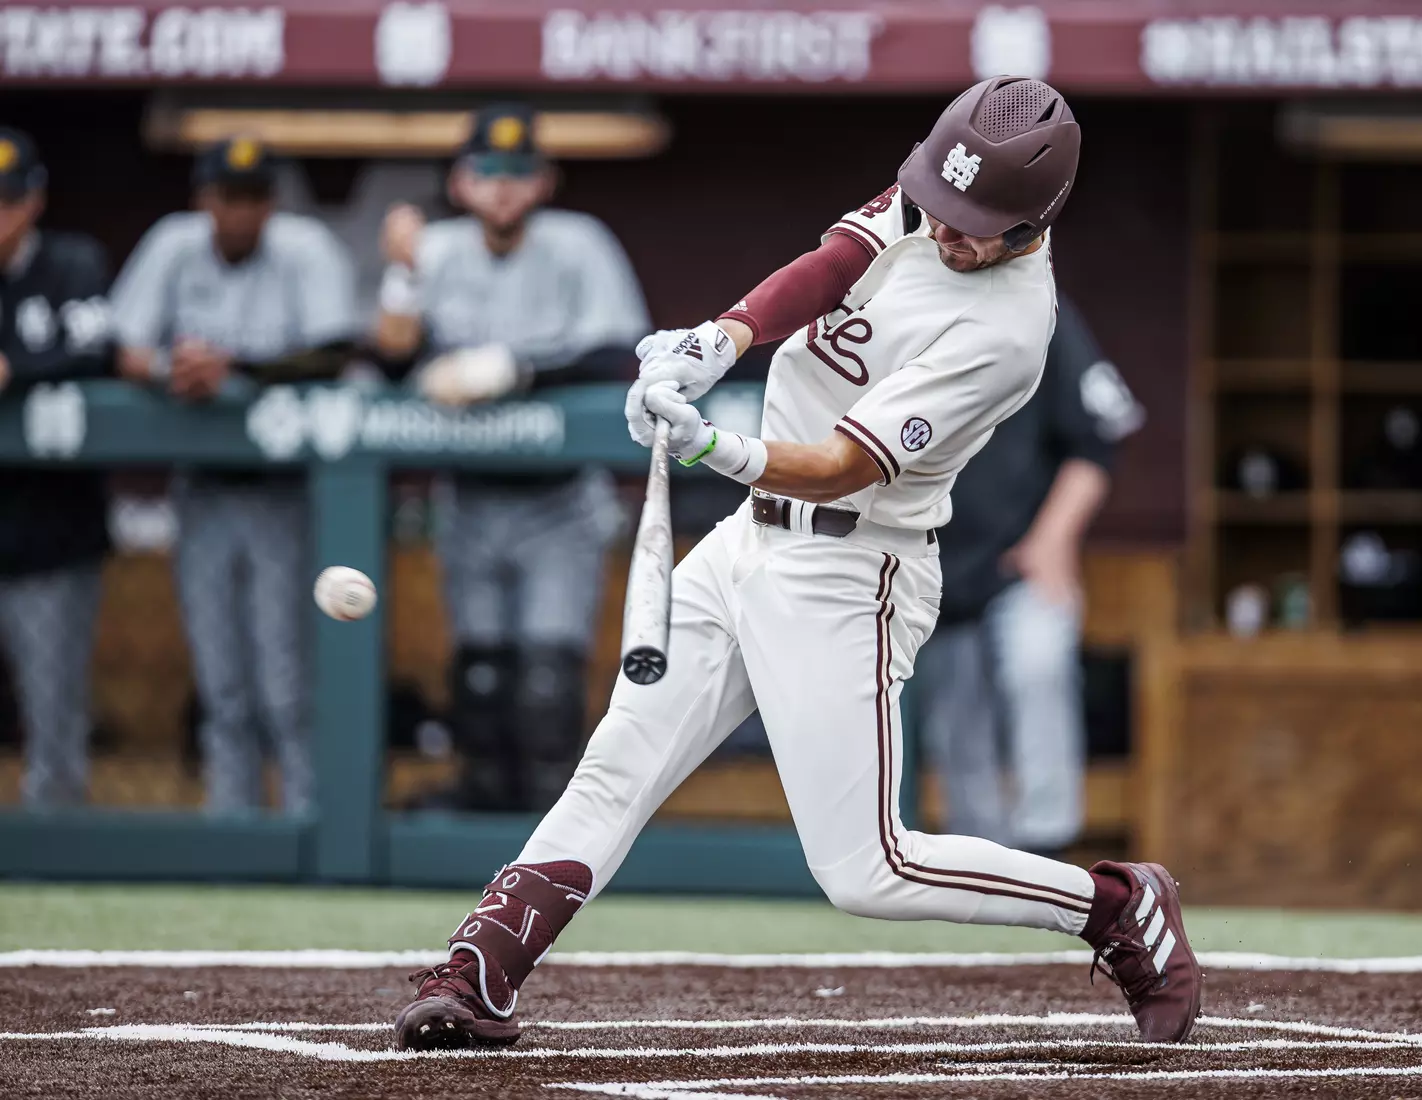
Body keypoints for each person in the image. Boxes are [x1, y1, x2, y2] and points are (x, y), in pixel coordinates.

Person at [391, 77, 1200, 1052]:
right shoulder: (935, 193)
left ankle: (1115, 904)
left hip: (852, 573)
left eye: (972, 224)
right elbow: (832, 262)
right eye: (939, 207)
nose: (943, 230)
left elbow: (846, 464)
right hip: (746, 541)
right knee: (618, 760)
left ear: (1033, 220)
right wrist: (716, 338)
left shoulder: (1008, 330)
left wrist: (711, 448)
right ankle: (482, 967)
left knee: (869, 868)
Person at [374, 104, 648, 813]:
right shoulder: (434, 251)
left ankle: (554, 837)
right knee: (481, 676)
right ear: (461, 183)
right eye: (487, 173)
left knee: (548, 680)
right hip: (469, 493)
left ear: (544, 181)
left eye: (518, 172)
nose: (502, 187)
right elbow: (386, 358)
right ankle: (484, 822)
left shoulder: (579, 243)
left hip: (558, 498)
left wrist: (516, 370)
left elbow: (622, 352)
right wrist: (401, 275)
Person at [110, 136, 356, 814]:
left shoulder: (302, 248)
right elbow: (120, 346)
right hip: (202, 487)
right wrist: (172, 370)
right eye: (227, 197)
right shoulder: (173, 243)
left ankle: (309, 827)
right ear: (205, 200)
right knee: (222, 685)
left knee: (285, 684)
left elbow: (335, 353)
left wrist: (236, 370)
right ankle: (234, 830)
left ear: (270, 203)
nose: (239, 212)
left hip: (283, 491)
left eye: (253, 198)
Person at [913, 295, 1143, 856]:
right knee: (955, 723)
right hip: (932, 567)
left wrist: (1052, 538)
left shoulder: (1038, 311)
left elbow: (1099, 440)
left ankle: (1048, 849)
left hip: (1021, 561)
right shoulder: (902, 313)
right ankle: (985, 870)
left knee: (1037, 668)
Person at [0, 127, 114, 806]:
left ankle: (56, 847)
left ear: (34, 201)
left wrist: (16, 370)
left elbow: (99, 349)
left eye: (7, 201)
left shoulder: (72, 263)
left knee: (54, 715)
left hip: (51, 533)